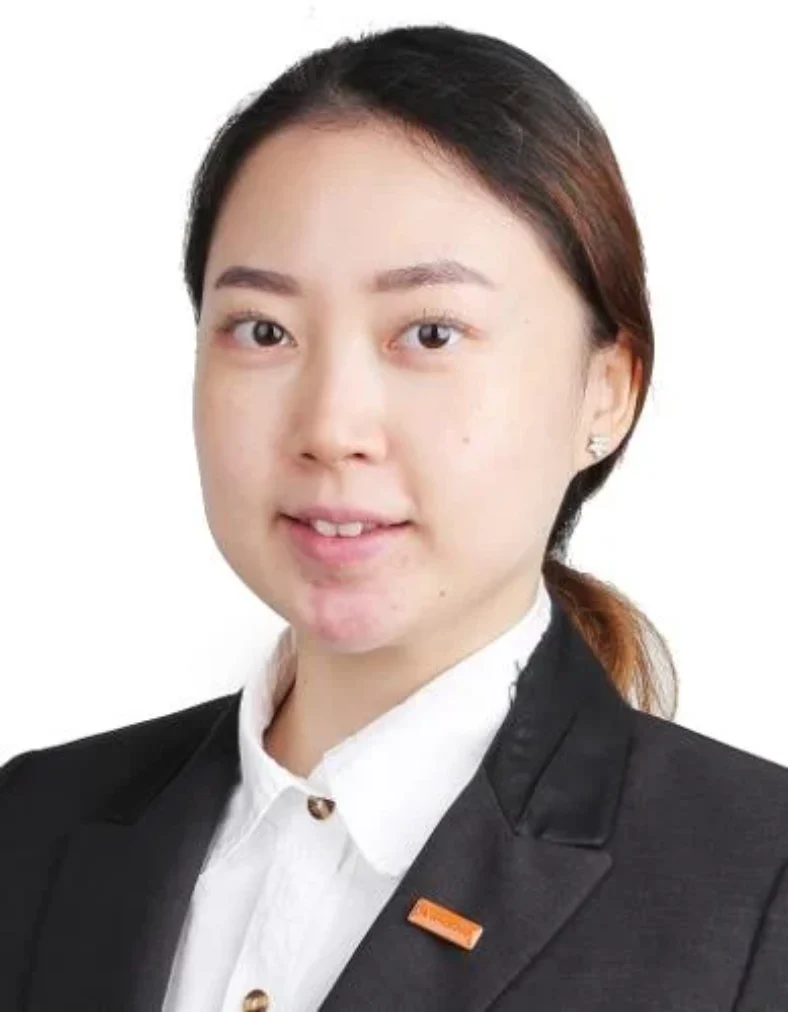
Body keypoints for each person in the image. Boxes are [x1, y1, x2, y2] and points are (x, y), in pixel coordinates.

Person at [1, 21, 786, 1012]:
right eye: (263, 330)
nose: (331, 428)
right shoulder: (32, 825)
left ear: (607, 390)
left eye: (429, 333)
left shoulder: (757, 891)